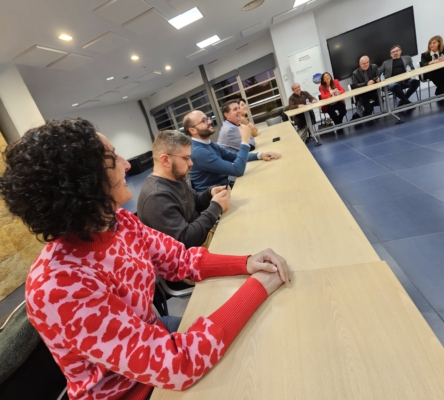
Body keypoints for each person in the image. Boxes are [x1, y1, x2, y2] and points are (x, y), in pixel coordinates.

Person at [0, 118, 290, 400]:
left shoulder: (119, 222)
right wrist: (259, 286)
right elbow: (179, 365)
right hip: (136, 391)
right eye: (113, 157)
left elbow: (179, 260)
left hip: (157, 342)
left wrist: (247, 262)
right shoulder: (59, 286)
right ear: (84, 181)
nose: (127, 164)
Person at [138, 130, 230, 248]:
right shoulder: (156, 197)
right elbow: (185, 240)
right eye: (186, 158)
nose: (191, 163)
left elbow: (192, 202)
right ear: (165, 160)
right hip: (194, 253)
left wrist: (209, 194)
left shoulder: (175, 177)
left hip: (203, 238)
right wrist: (216, 207)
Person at [183, 110, 281, 192]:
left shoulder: (208, 143)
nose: (209, 121)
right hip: (217, 200)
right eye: (204, 121)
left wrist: (259, 155)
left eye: (207, 118)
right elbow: (237, 170)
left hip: (227, 188)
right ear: (193, 130)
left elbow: (232, 156)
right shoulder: (198, 152)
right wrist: (245, 140)